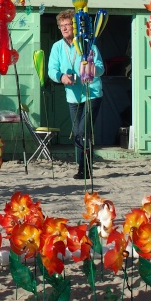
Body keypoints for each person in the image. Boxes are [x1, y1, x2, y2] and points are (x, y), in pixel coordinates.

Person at [48, 9, 105, 180]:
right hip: (73, 96)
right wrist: (62, 77)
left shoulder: (89, 44)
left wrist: (91, 70)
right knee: (77, 132)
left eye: (67, 25)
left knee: (83, 131)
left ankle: (84, 168)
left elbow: (101, 68)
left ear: (75, 26)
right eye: (61, 25)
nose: (64, 28)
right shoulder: (57, 47)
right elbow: (52, 69)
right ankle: (83, 166)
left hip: (91, 93)